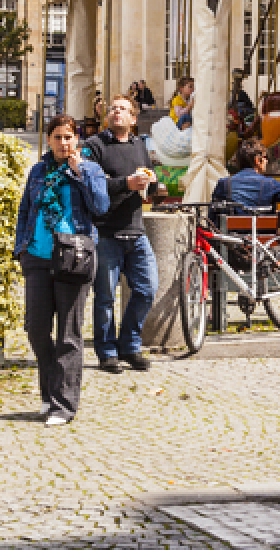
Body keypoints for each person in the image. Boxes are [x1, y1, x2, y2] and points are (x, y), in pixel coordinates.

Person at [11, 115, 109, 427]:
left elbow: (101, 206)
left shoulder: (89, 169)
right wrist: (21, 249)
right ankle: (49, 391)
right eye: (58, 137)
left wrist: (80, 173)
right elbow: (26, 208)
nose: (64, 143)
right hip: (38, 255)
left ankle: (64, 404)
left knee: (69, 333)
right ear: (49, 139)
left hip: (74, 258)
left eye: (69, 137)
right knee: (36, 328)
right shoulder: (39, 170)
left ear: (77, 140)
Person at [81, 94, 156, 374]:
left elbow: (146, 176)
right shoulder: (95, 146)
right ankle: (107, 352)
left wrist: (151, 183)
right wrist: (127, 183)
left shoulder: (140, 145)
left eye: (122, 109)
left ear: (133, 119)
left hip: (136, 230)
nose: (116, 113)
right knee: (104, 297)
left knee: (148, 288)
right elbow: (91, 184)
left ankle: (130, 345)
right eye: (113, 109)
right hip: (106, 231)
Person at [210, 142, 280, 223]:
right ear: (257, 160)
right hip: (262, 241)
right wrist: (274, 214)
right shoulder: (271, 184)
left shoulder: (224, 183)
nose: (267, 161)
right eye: (265, 157)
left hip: (232, 241)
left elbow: (212, 216)